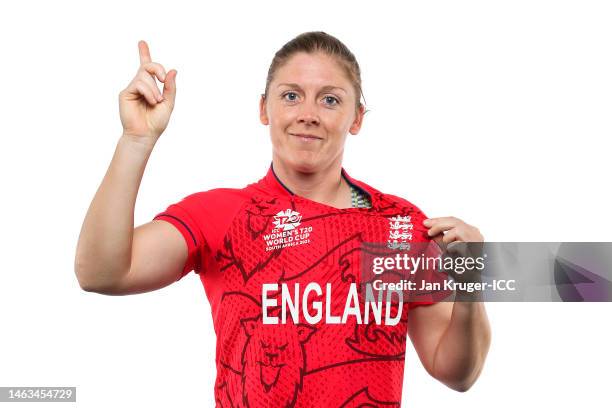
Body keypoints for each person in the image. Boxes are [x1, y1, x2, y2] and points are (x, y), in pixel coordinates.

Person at [75, 32, 491, 406]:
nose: (308, 113)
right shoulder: (222, 214)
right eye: (291, 95)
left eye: (330, 99)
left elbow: (457, 373)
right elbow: (101, 273)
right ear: (264, 108)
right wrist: (136, 140)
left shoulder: (400, 225)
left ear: (357, 118)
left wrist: (472, 281)